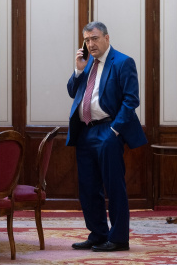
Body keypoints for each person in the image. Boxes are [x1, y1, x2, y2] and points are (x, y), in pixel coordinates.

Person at [65, 21, 147, 252]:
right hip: (85, 132)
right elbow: (73, 91)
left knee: (114, 186)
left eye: (95, 38)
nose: (91, 44)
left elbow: (131, 100)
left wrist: (114, 131)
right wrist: (79, 69)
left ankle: (119, 238)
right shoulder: (86, 63)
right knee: (88, 187)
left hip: (109, 131)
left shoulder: (122, 62)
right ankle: (98, 234)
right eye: (87, 40)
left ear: (107, 38)